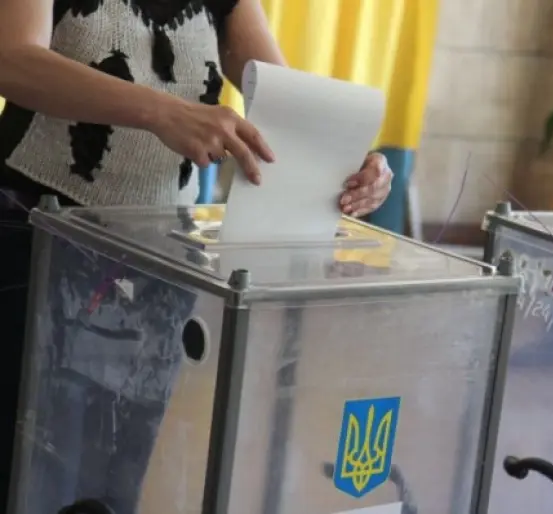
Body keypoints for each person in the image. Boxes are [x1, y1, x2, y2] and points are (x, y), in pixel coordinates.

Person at [0, 0, 393, 512]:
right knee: (25, 459)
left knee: (112, 479)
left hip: (154, 267)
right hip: (34, 243)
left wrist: (354, 163)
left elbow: (290, 109)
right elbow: (12, 59)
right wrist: (161, 110)